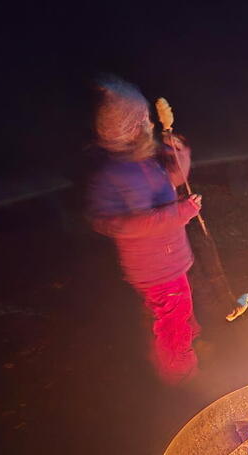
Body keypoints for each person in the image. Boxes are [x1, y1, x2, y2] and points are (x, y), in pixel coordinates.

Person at [85, 75, 202, 385]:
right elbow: (121, 224)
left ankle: (179, 340)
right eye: (145, 121)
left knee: (177, 310)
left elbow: (174, 180)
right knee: (172, 319)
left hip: (170, 260)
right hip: (155, 268)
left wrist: (180, 153)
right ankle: (179, 373)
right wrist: (179, 213)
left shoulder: (149, 163)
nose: (151, 125)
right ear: (132, 130)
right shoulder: (113, 176)